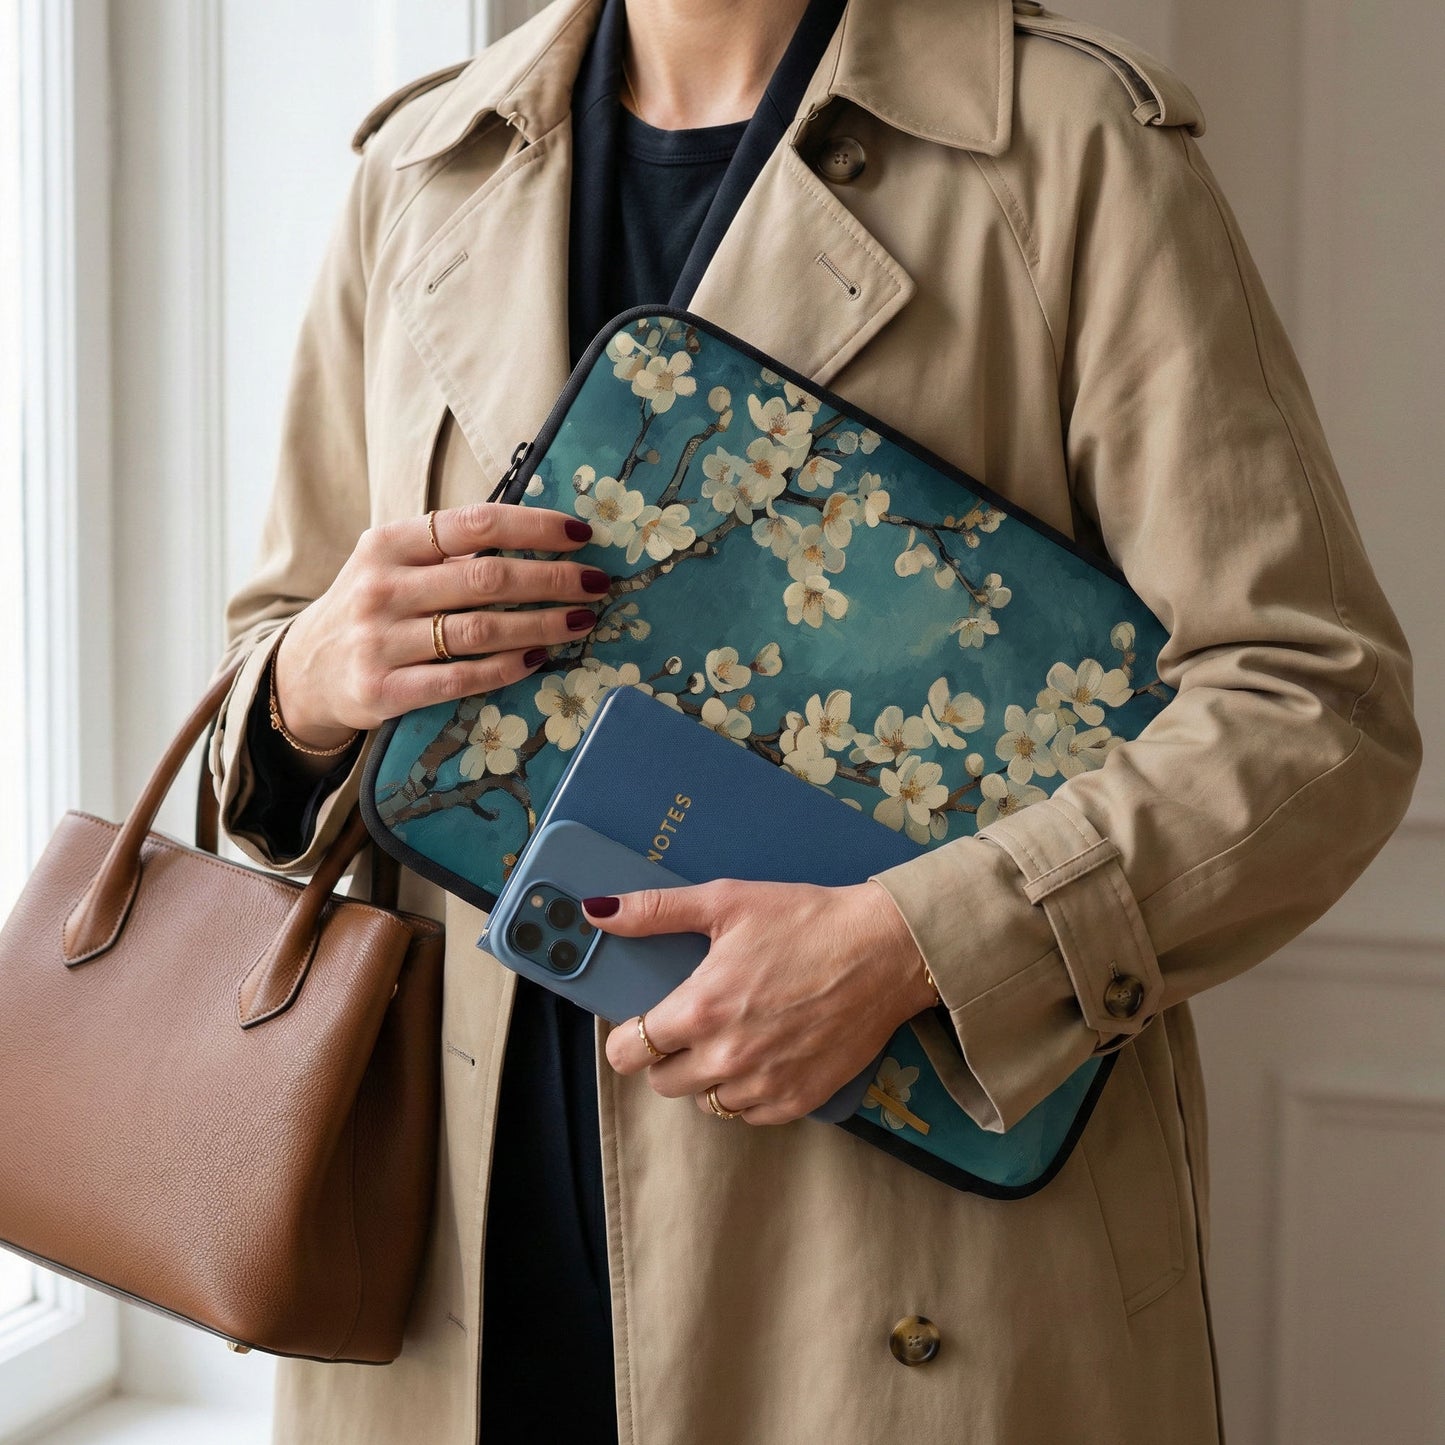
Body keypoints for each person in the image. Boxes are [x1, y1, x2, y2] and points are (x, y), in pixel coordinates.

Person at [206, 0, 1422, 1441]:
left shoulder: (1069, 151)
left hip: (898, 1269)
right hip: (458, 1274)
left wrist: (923, 941)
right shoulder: (420, 168)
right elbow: (271, 663)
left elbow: (1312, 703)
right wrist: (307, 684)